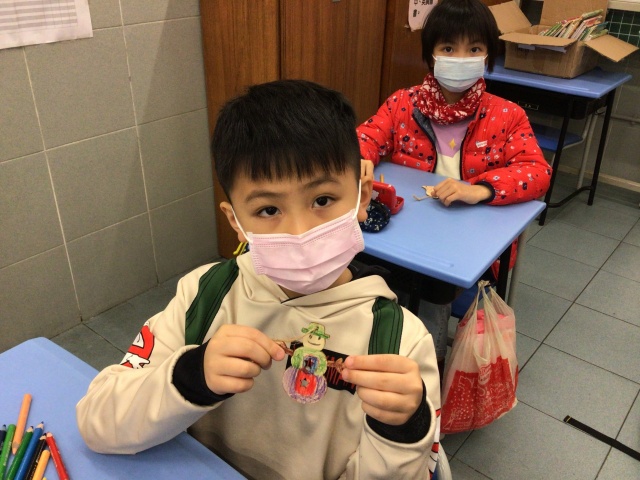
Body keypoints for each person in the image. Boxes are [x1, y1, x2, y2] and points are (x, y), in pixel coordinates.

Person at [76, 80, 442, 480]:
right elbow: (98, 422)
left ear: (362, 197)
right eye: (268, 210)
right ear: (235, 222)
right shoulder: (204, 294)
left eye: (322, 200)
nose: (300, 230)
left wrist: (403, 429)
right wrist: (190, 376)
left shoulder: (400, 341)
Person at [357, 0, 552, 376]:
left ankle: (425, 368)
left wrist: (481, 189)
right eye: (448, 48)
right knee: (370, 265)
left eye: (474, 49)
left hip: (465, 245)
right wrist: (360, 155)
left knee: (434, 287)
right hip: (405, 231)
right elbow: (366, 136)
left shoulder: (507, 115)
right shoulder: (403, 104)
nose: (461, 59)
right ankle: (378, 345)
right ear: (430, 54)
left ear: (488, 55)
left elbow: (537, 172)